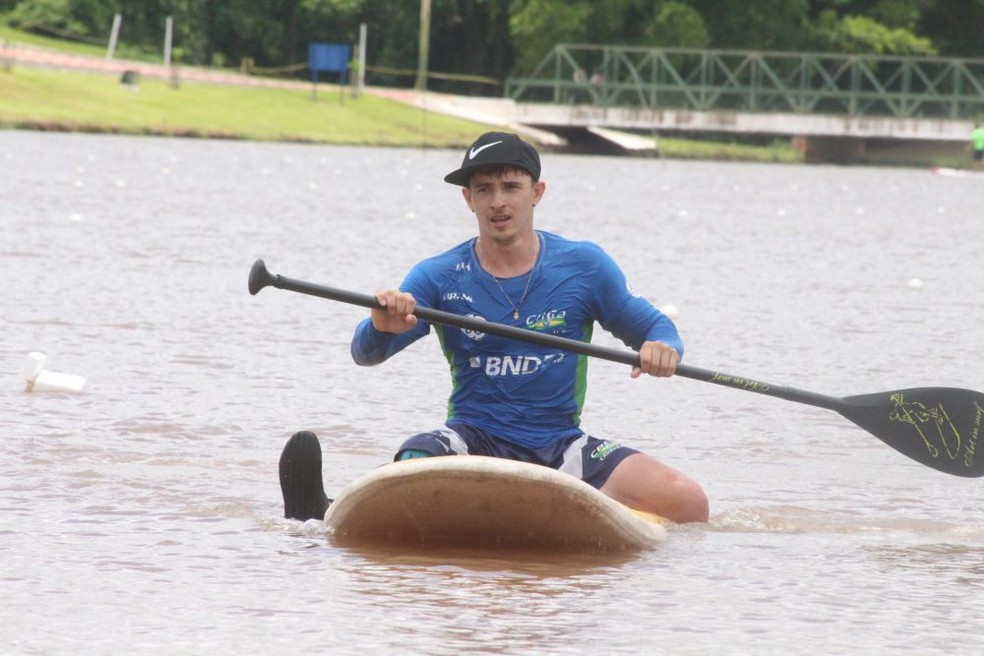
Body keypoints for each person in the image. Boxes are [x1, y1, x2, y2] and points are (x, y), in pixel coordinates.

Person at [279, 131, 708, 524]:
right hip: (470, 438)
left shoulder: (584, 266)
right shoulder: (439, 275)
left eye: (510, 187)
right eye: (484, 189)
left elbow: (654, 326)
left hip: (560, 445)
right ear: (468, 199)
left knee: (689, 502)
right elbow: (365, 353)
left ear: (537, 193)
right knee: (413, 455)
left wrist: (663, 347)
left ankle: (605, 516)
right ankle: (323, 513)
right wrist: (381, 326)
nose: (497, 201)